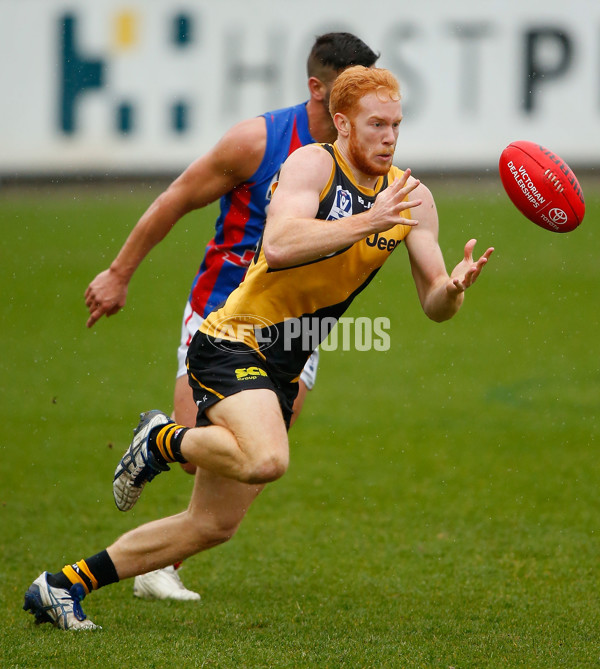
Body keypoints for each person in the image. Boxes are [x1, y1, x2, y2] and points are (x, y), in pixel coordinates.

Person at [24, 65, 494, 630]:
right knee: (267, 460)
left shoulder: (411, 196)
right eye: (376, 124)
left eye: (396, 123)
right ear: (342, 124)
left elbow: (433, 303)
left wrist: (455, 287)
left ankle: (62, 585)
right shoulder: (313, 164)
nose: (390, 136)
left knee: (211, 525)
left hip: (286, 357)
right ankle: (163, 439)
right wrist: (367, 221)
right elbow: (280, 240)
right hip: (231, 338)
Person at [83, 32, 380, 601]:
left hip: (297, 331)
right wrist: (119, 273)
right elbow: (176, 197)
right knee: (204, 453)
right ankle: (161, 446)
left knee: (247, 465)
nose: (364, 104)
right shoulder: (257, 141)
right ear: (317, 88)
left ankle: (157, 563)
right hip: (221, 317)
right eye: (351, 90)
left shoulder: (365, 157)